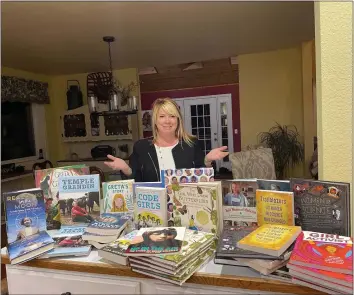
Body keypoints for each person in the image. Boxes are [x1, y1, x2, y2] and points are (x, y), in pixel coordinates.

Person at [104, 98, 229, 182]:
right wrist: (125, 168)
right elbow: (136, 180)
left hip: (186, 207)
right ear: (155, 121)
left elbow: (201, 178)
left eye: (172, 116)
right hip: (154, 208)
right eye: (162, 116)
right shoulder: (141, 147)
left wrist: (207, 160)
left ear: (178, 119)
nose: (167, 121)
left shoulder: (191, 144)